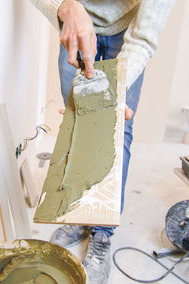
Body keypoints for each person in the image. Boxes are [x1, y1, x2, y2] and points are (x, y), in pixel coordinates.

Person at [31, 0, 176, 283]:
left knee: (115, 128)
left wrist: (114, 92)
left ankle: (102, 231)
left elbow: (144, 35)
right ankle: (78, 213)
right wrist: (65, 6)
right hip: (75, 20)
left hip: (128, 29)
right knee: (78, 123)